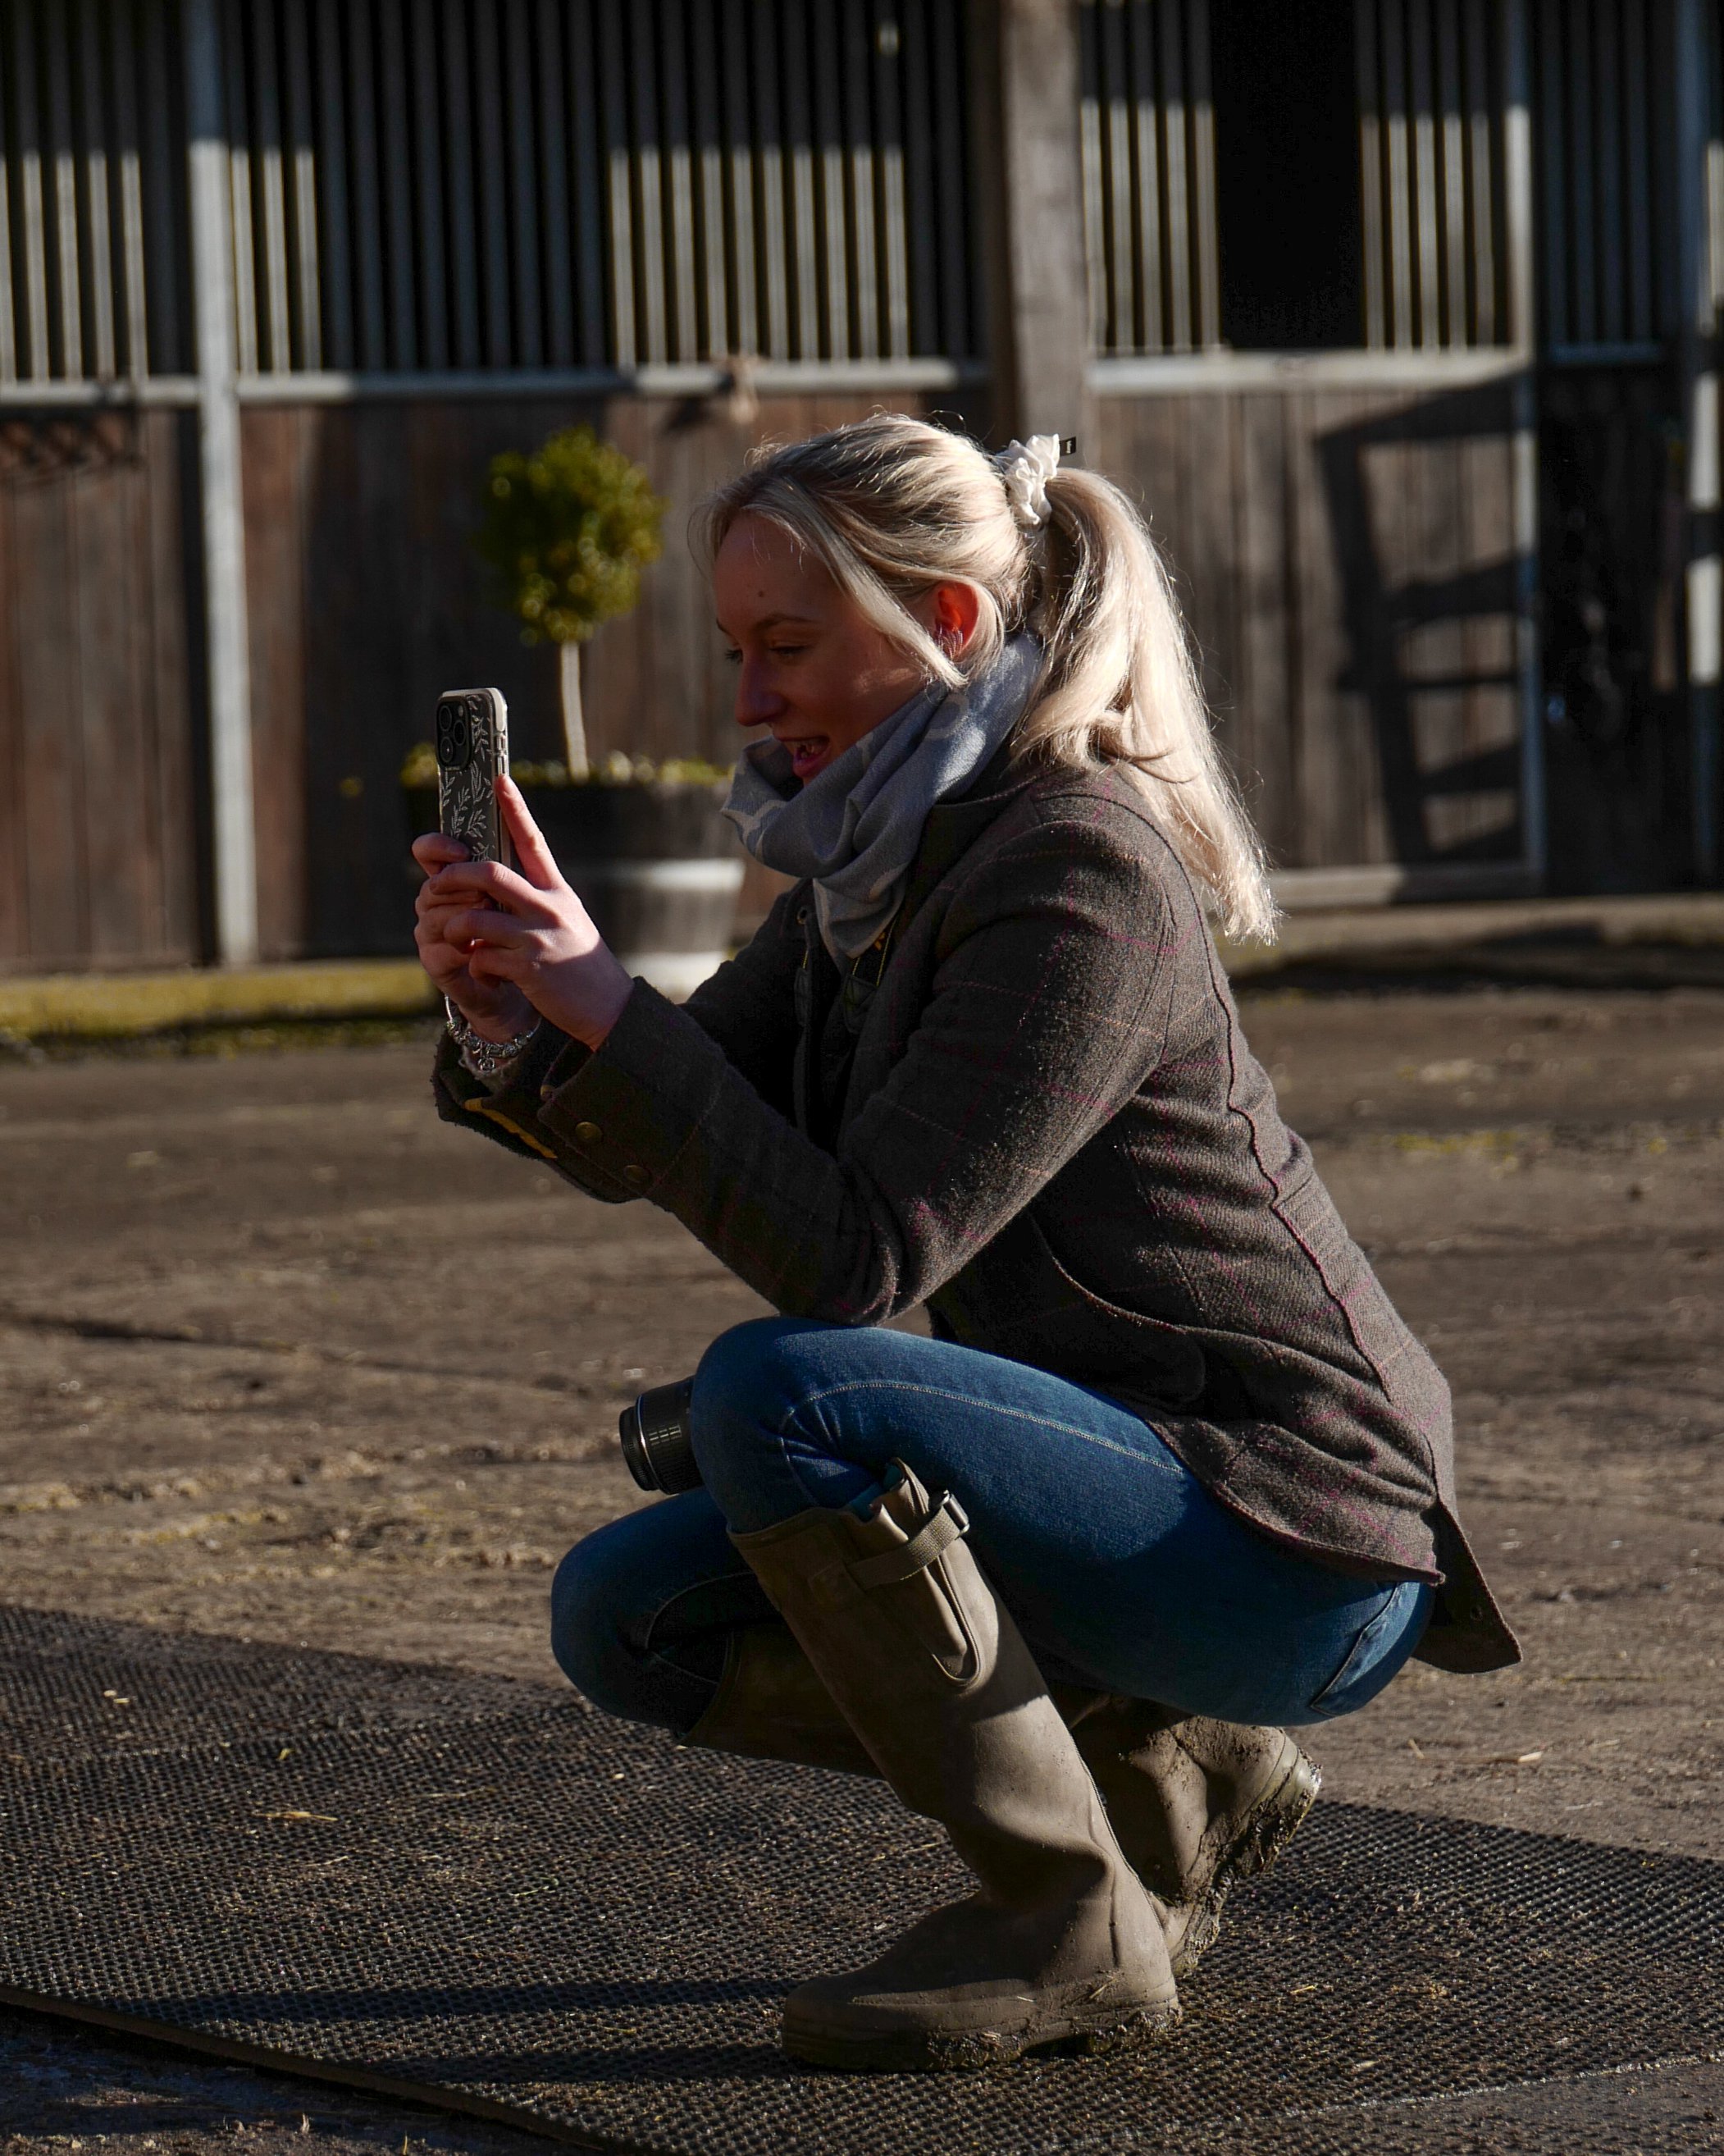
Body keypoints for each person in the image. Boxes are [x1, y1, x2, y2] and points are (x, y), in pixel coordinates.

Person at [411, 416, 1518, 2076]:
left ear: (941, 622)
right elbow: (685, 1104)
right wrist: (518, 1017)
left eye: (786, 646)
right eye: (733, 651)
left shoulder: (1074, 869)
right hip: (1129, 1490)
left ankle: (1065, 1918)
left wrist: (609, 1008)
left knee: (783, 1391)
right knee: (626, 1613)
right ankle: (1172, 1771)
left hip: (1293, 1534)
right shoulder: (875, 871)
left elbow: (860, 1259)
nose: (748, 699)